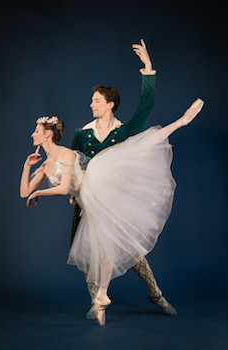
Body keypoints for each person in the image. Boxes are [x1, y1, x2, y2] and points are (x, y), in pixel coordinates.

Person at [20, 99, 204, 326]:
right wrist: (28, 167)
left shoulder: (67, 154)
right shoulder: (46, 165)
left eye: (36, 131)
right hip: (84, 202)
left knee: (140, 149)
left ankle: (181, 121)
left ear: (47, 134)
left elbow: (64, 187)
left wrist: (40, 194)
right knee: (95, 253)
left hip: (98, 188)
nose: (32, 135)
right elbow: (24, 192)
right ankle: (99, 300)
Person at [70, 40, 176, 320]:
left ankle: (157, 295)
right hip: (88, 202)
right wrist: (72, 190)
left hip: (116, 201)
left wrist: (148, 69)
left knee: (132, 251)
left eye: (96, 100)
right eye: (92, 100)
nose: (91, 104)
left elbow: (146, 105)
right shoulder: (82, 134)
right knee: (89, 254)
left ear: (110, 105)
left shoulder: (124, 132)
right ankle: (96, 303)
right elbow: (73, 164)